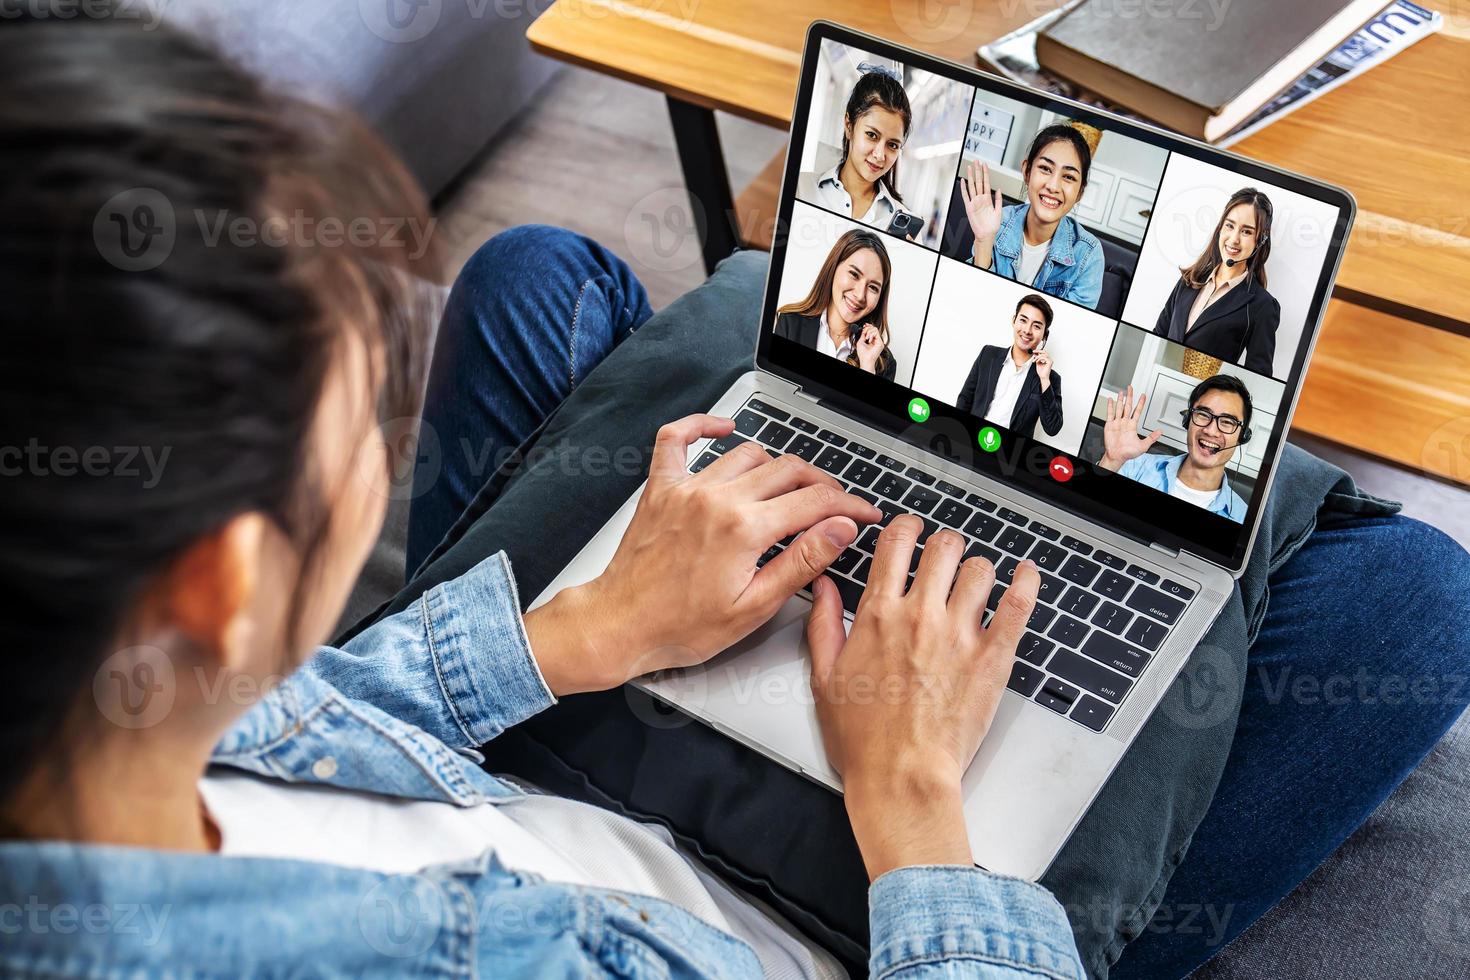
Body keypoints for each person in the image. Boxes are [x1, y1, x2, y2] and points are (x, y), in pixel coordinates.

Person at [7, 13, 1470, 980]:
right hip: (865, 913)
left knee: (540, 282)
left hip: (521, 740)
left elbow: (295, 726)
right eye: (354, 396)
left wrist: (575, 633)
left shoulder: (97, 742)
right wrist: (909, 801)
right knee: (1410, 600)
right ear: (221, 587)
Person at [958, 123, 1105, 310]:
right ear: (1027, 172)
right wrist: (984, 242)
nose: (1053, 186)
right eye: (1045, 168)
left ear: (1080, 192)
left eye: (1068, 177)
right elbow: (973, 301)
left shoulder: (1088, 253)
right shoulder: (996, 222)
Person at [1153, 188, 1280, 376]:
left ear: (1259, 240)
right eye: (1230, 226)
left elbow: (1259, 375)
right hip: (1156, 378)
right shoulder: (1190, 279)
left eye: (1246, 231)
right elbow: (1158, 333)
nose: (1234, 239)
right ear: (1220, 228)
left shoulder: (1262, 306)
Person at [1097, 375, 1252, 523]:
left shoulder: (1243, 517)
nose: (1211, 431)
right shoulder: (1134, 465)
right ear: (1187, 420)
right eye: (1203, 414)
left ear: (1242, 436)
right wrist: (1111, 461)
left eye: (1226, 422)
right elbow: (1086, 510)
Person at [796, 63, 919, 236]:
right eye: (872, 135)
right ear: (849, 126)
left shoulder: (906, 227)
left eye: (892, 145)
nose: (879, 155)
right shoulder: (801, 188)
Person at [774, 228, 898, 380]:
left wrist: (867, 366)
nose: (860, 295)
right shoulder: (789, 323)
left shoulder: (884, 362)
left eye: (873, 287)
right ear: (833, 268)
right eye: (854, 274)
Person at [955, 293, 1063, 438]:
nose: (1027, 330)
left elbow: (1052, 428)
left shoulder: (1050, 379)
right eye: (1023, 320)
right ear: (1013, 320)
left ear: (1044, 335)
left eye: (1036, 326)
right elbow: (965, 400)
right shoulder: (988, 354)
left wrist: (1044, 379)